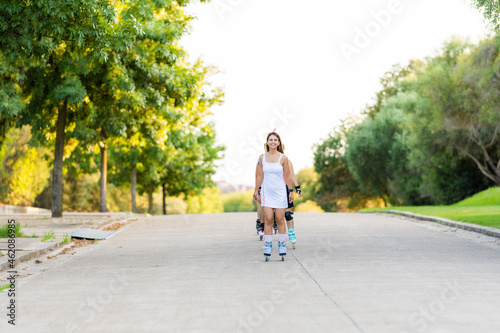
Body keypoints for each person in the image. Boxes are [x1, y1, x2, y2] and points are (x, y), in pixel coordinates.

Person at [254, 131, 294, 261]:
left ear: (278, 142)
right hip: (267, 192)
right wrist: (256, 190)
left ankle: (282, 244)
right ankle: (268, 245)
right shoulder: (262, 157)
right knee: (269, 219)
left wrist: (290, 191)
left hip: (280, 192)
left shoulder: (283, 158)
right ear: (267, 142)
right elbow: (260, 175)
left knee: (280, 219)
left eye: (275, 140)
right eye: (270, 140)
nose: (273, 142)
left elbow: (287, 176)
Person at [285, 159, 302, 248]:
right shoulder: (267, 159)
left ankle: (291, 233)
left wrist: (297, 187)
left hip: (285, 188)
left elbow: (292, 174)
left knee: (288, 214)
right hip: (272, 189)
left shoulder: (286, 160)